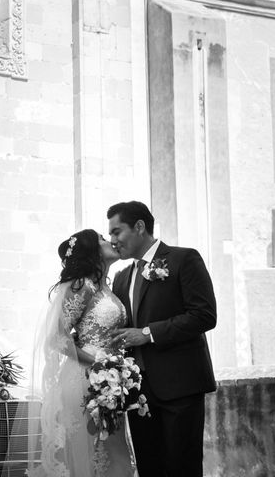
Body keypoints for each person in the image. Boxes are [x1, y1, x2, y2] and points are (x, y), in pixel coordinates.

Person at [106, 201, 216, 477]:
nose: (113, 240)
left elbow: (204, 315)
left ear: (140, 227)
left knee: (183, 468)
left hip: (180, 387)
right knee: (149, 468)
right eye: (110, 235)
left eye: (117, 231)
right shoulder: (121, 278)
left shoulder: (184, 259)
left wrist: (147, 334)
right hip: (138, 393)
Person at [29, 229, 136, 477]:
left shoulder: (106, 289)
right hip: (85, 377)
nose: (108, 240)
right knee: (89, 453)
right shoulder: (82, 285)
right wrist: (99, 362)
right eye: (100, 238)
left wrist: (113, 367)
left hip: (109, 380)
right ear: (91, 250)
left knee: (112, 452)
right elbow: (57, 338)